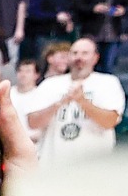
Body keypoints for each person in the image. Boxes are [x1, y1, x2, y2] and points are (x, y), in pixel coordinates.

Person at [25, 35, 122, 164]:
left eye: (85, 53)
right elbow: (33, 122)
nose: (79, 57)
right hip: (53, 165)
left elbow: (110, 121)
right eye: (74, 53)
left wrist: (82, 102)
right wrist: (59, 103)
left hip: (95, 167)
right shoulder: (49, 84)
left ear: (95, 58)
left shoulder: (108, 82)